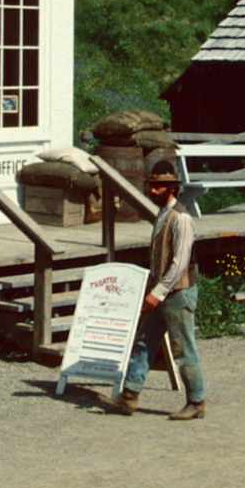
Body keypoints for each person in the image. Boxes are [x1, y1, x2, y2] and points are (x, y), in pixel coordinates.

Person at [97, 158, 208, 420]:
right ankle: (129, 396)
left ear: (171, 188)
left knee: (183, 349)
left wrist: (156, 293)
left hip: (178, 294)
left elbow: (179, 263)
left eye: (159, 186)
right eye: (152, 185)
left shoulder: (181, 219)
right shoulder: (163, 214)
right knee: (145, 342)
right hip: (163, 293)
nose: (153, 190)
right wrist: (155, 291)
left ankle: (197, 401)